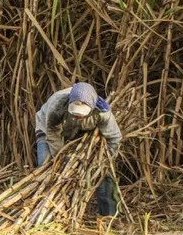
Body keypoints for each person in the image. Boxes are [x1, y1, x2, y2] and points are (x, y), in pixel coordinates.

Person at [34, 81, 123, 216]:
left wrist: (106, 159)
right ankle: (47, 211)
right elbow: (52, 132)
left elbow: (114, 138)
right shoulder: (57, 106)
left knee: (103, 173)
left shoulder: (102, 112)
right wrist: (61, 158)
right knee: (45, 165)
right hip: (49, 130)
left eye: (82, 114)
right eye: (75, 113)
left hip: (80, 133)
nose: (78, 116)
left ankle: (109, 216)